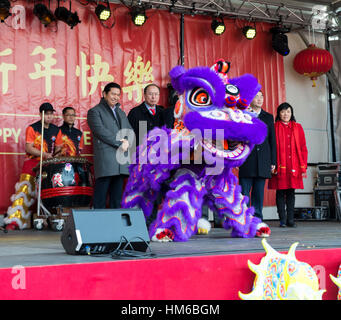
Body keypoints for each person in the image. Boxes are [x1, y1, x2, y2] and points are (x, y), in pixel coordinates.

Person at [5, 103, 63, 230]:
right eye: (46, 114)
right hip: (32, 163)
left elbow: (59, 147)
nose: (49, 116)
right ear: (40, 114)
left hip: (48, 165)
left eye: (51, 114)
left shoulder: (56, 130)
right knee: (24, 190)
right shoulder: (32, 128)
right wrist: (44, 154)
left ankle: (53, 219)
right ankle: (15, 221)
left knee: (51, 191)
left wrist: (55, 155)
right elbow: (29, 148)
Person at [87, 82, 132, 209]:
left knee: (116, 198)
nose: (116, 97)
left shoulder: (121, 112)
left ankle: (115, 226)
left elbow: (129, 130)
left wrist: (128, 141)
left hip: (120, 160)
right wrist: (120, 142)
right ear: (104, 94)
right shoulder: (94, 112)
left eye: (118, 95)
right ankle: (98, 225)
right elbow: (100, 131)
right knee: (101, 196)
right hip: (106, 159)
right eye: (113, 94)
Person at [238, 90, 277, 221]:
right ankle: (243, 218)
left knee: (259, 194)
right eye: (256, 97)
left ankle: (257, 219)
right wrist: (237, 159)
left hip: (263, 161)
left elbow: (272, 140)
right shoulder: (243, 115)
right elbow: (237, 138)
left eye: (262, 96)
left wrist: (273, 162)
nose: (260, 99)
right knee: (244, 193)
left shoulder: (268, 117)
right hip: (246, 160)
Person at [268, 102, 308, 228]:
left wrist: (303, 164)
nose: (286, 114)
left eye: (288, 111)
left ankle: (291, 220)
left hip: (294, 165)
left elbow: (302, 147)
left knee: (291, 192)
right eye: (283, 111)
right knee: (280, 192)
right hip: (279, 164)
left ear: (292, 113)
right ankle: (282, 220)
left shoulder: (298, 127)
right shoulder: (274, 127)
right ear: (279, 113)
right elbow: (270, 147)